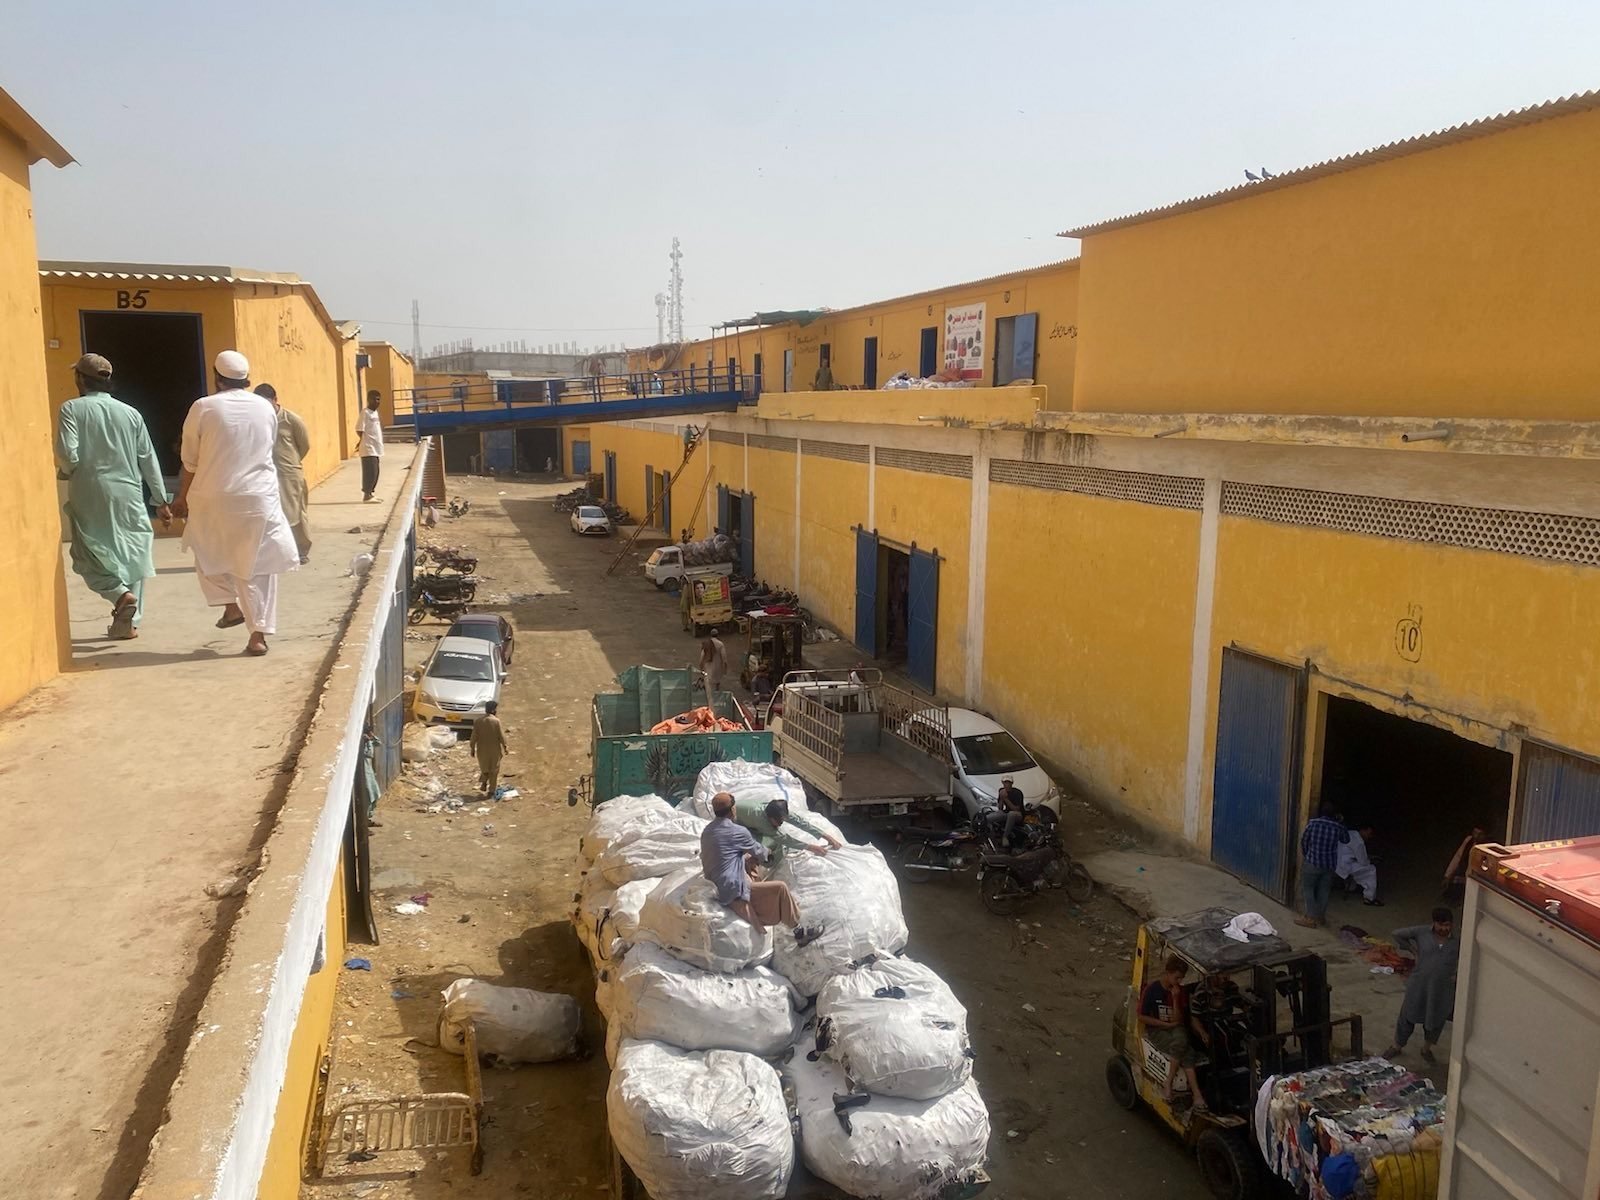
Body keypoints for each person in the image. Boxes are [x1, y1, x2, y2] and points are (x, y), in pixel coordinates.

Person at [171, 351, 299, 656]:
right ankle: (258, 635)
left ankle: (230, 606)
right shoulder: (266, 408)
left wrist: (181, 498)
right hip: (258, 497)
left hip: (213, 496)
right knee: (259, 567)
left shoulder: (203, 407)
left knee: (207, 553)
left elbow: (190, 461)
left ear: (217, 377)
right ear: (248, 379)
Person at [53, 353, 172, 640]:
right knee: (133, 554)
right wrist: (161, 499)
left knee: (86, 553)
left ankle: (119, 595)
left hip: (90, 490)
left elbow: (68, 454)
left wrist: (68, 471)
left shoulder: (71, 409)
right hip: (128, 491)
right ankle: (130, 622)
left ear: (80, 378)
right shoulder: (131, 413)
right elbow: (148, 458)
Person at [700, 791, 823, 941]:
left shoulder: (707, 831)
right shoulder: (738, 831)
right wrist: (768, 853)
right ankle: (799, 932)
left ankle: (788, 912)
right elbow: (760, 852)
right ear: (733, 810)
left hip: (714, 882)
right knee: (781, 888)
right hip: (731, 889)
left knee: (750, 868)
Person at [1384, 907, 1460, 1066]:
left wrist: (1456, 973)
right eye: (1441, 925)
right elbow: (1397, 934)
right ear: (1434, 923)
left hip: (1441, 988)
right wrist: (1413, 950)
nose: (1444, 929)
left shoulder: (1456, 942)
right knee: (1408, 1014)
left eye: (1447, 925)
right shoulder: (1422, 932)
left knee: (1436, 1018)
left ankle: (1426, 1049)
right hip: (1419, 984)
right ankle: (1397, 1045)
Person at [1139, 956, 1206, 1110]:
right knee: (1187, 1052)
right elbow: (1142, 1016)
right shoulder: (1152, 990)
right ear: (1167, 973)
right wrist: (1164, 1024)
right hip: (1157, 1029)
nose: (1179, 981)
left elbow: (1178, 1020)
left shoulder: (1179, 992)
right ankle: (1193, 1093)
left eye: (1181, 978)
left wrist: (1175, 998)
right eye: (1176, 977)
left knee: (1181, 1042)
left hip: (1176, 1028)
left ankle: (1173, 1084)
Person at [256, 383, 312, 564]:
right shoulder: (258, 420)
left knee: (294, 513)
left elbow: (304, 445)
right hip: (265, 474)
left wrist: (291, 463)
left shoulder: (291, 420)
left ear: (275, 400)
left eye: (267, 403)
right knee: (270, 514)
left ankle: (301, 549)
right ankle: (277, 551)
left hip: (289, 473)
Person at [735, 795, 843, 866]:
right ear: (770, 818)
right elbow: (784, 839)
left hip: (750, 822)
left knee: (776, 844)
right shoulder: (761, 820)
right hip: (738, 825)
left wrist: (826, 836)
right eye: (778, 821)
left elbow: (801, 823)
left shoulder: (779, 812)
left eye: (782, 820)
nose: (780, 823)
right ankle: (762, 865)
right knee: (767, 845)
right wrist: (810, 847)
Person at [1295, 803, 1349, 929]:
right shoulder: (1337, 827)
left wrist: (1307, 854)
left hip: (1312, 862)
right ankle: (1320, 917)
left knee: (1308, 889)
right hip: (1329, 865)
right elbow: (1346, 840)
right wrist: (1341, 822)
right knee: (1324, 890)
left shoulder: (1313, 823)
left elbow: (1304, 841)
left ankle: (1310, 918)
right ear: (1334, 815)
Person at [470, 700, 509, 796]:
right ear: (493, 709)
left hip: (481, 750)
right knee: (494, 769)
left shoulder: (478, 721)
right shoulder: (496, 721)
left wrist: (472, 748)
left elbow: (474, 736)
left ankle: (484, 782)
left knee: (485, 767)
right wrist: (505, 747)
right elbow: (501, 736)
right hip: (494, 749)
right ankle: (491, 790)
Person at [1337, 823, 1381, 906]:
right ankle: (1369, 898)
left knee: (1357, 866)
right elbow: (1363, 861)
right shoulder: (1359, 842)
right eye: (1369, 833)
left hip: (1336, 862)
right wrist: (1370, 860)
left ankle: (1351, 887)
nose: (1369, 836)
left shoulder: (1349, 833)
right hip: (1345, 865)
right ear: (1363, 830)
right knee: (1371, 869)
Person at [356, 390, 384, 501]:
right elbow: (359, 429)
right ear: (369, 400)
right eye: (375, 399)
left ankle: (371, 493)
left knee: (376, 472)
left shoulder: (375, 413)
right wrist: (363, 440)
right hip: (368, 447)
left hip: (376, 448)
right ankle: (366, 495)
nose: (377, 402)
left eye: (379, 399)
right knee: (370, 471)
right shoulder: (365, 413)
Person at [699, 631, 727, 708]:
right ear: (717, 635)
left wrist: (701, 666)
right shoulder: (720, 644)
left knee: (709, 685)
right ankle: (717, 698)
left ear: (710, 635)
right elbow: (724, 657)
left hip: (708, 666)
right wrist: (725, 667)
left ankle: (709, 702)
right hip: (718, 667)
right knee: (717, 683)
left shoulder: (707, 644)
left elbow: (702, 656)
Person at [997, 776, 1027, 847]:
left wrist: (1006, 799)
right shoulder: (1002, 791)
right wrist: (1001, 798)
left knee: (1012, 814)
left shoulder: (1017, 793)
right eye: (1005, 783)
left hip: (1018, 814)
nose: (1006, 785)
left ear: (1011, 783)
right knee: (995, 815)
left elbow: (1016, 809)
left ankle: (1005, 836)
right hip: (1007, 812)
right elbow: (1000, 808)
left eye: (1008, 783)